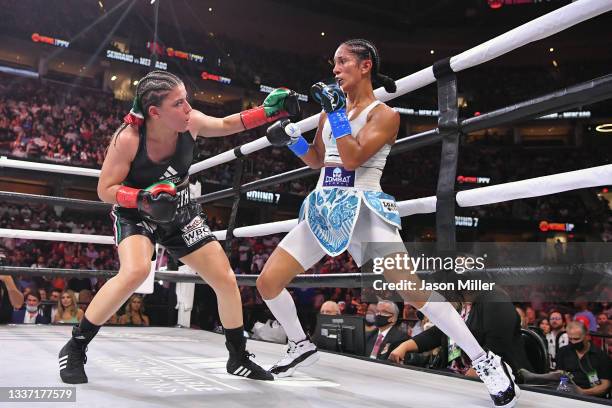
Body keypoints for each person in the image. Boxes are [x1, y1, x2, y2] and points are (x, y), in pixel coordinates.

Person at [256, 39, 519, 407]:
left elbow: (351, 160)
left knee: (411, 290)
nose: (334, 69)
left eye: (342, 61)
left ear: (365, 66)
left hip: (364, 208)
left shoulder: (384, 115)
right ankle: (300, 344)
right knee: (268, 282)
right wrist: (290, 139)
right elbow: (319, 160)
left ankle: (485, 360)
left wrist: (334, 114)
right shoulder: (330, 112)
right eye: (333, 63)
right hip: (325, 207)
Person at [58, 70, 299, 384]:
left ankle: (238, 356)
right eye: (179, 104)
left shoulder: (192, 123)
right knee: (134, 272)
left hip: (181, 212)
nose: (188, 109)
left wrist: (268, 113)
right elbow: (105, 189)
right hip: (137, 213)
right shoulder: (128, 139)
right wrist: (143, 199)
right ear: (156, 112)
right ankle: (75, 347)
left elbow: (227, 124)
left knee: (225, 278)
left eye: (187, 101)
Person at [556, 321, 611, 397]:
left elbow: (605, 386)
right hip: (567, 394)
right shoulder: (563, 352)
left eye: (577, 339)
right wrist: (565, 389)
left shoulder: (601, 356)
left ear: (587, 336)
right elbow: (560, 375)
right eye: (570, 339)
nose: (573, 342)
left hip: (592, 397)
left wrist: (582, 392)